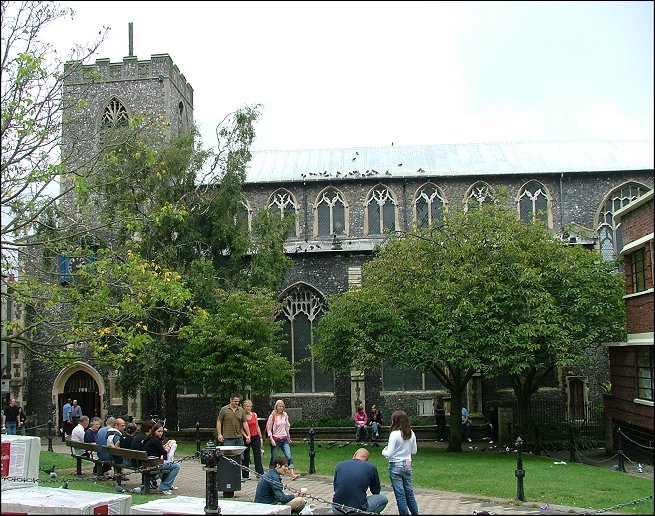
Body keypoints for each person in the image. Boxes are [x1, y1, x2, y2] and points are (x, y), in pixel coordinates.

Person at [382, 410, 419, 515]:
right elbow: (414, 451)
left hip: (395, 465)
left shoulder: (394, 434)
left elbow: (388, 453)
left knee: (400, 495)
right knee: (409, 493)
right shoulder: (411, 433)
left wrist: (383, 451)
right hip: (407, 464)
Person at [332, 447, 388, 515]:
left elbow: (335, 489)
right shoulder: (371, 467)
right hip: (357, 510)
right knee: (383, 499)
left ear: (354, 455)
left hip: (337, 509)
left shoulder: (339, 465)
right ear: (367, 460)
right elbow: (376, 491)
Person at [265, 399, 300, 480]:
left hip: (284, 439)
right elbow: (269, 428)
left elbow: (287, 427)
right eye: (279, 406)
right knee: (274, 457)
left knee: (289, 456)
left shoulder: (285, 415)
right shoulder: (272, 416)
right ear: (276, 407)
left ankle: (292, 473)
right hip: (276, 439)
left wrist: (288, 437)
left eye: (282, 406)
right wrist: (271, 438)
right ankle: (271, 472)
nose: (281, 408)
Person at [143, 422, 180, 495]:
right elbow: (164, 453)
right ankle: (164, 487)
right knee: (176, 466)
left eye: (162, 431)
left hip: (146, 464)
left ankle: (166, 484)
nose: (160, 433)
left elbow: (159, 451)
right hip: (154, 464)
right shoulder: (155, 440)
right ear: (154, 431)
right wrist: (169, 445)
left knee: (168, 466)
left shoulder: (148, 439)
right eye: (158, 431)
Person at [242, 399, 265, 480]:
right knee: (246, 456)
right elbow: (241, 428)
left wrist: (260, 437)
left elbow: (257, 426)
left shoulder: (254, 415)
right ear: (244, 407)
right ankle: (245, 475)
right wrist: (246, 436)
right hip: (246, 437)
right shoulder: (242, 415)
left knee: (257, 455)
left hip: (255, 436)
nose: (248, 408)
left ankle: (260, 474)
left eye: (250, 406)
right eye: (247, 406)